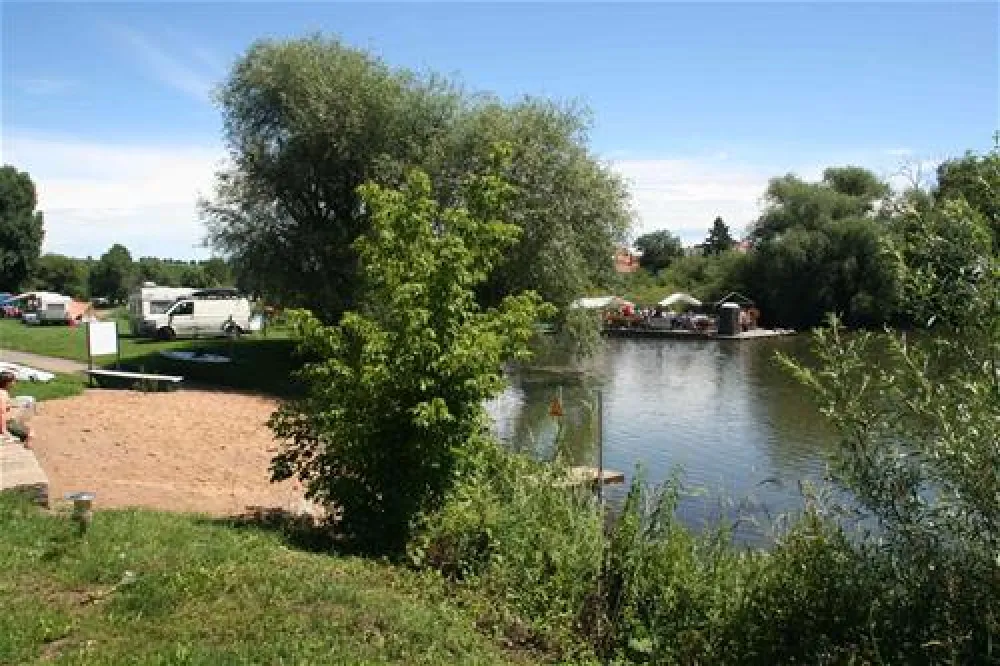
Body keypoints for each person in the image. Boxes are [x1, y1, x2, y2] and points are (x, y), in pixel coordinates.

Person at [0, 371, 34, 447]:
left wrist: (9, 406)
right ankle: (26, 448)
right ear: (8, 383)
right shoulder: (3, 394)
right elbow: (2, 413)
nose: (15, 383)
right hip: (6, 423)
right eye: (13, 381)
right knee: (30, 433)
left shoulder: (2, 392)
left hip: (6, 421)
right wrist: (4, 430)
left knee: (22, 426)